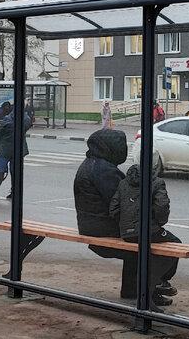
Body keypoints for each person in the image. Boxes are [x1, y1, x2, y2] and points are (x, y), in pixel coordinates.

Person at [72, 128, 171, 308]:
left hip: (90, 225)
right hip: (103, 228)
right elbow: (123, 206)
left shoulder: (92, 163)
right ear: (110, 147)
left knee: (137, 239)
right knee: (155, 243)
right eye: (120, 145)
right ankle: (150, 291)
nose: (123, 149)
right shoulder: (104, 170)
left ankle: (133, 289)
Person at [109, 161, 180, 301]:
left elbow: (114, 209)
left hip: (127, 234)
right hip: (149, 231)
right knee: (176, 244)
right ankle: (160, 282)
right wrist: (158, 223)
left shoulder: (123, 183)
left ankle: (132, 290)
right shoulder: (157, 182)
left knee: (137, 252)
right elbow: (162, 206)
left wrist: (125, 224)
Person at [0, 104, 32, 200]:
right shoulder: (26, 119)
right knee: (16, 172)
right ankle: (15, 192)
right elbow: (28, 124)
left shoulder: (7, 119)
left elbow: (0, 136)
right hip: (18, 151)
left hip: (4, 150)